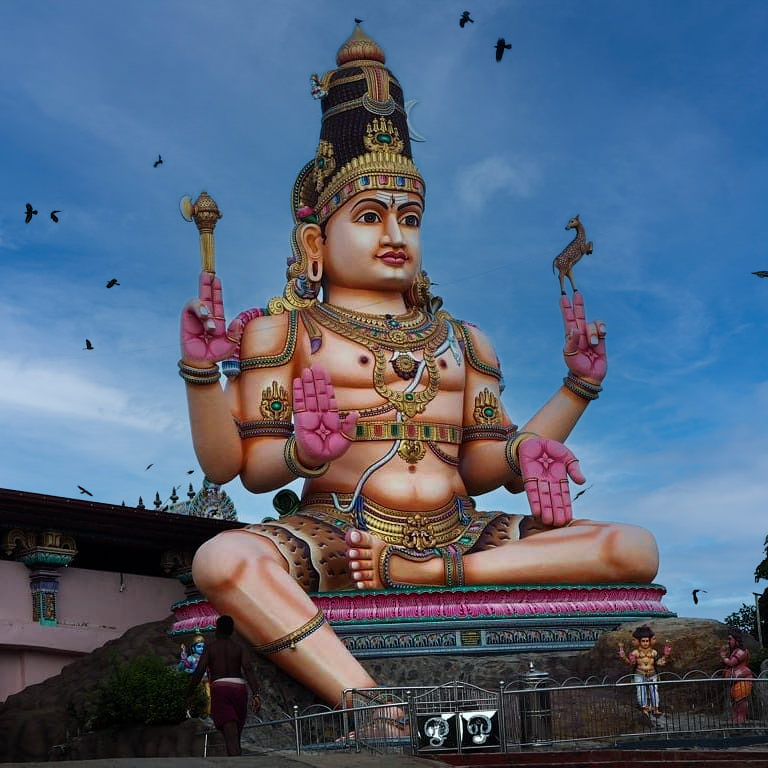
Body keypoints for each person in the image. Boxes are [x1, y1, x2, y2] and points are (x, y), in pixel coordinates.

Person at [179, 24, 659, 707]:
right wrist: (237, 403)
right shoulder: (285, 332)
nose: (397, 236)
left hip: (459, 533)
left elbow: (483, 464)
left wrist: (572, 395)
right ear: (317, 240)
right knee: (221, 560)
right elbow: (241, 470)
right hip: (334, 531)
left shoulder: (463, 340)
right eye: (371, 216)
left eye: (410, 216)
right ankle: (367, 702)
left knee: (633, 548)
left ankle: (429, 572)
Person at [185, 615, 261, 756]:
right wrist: (256, 694)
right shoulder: (239, 647)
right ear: (232, 630)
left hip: (221, 689)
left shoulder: (211, 648)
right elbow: (248, 669)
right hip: (239, 689)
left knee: (230, 737)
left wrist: (189, 693)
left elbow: (199, 671)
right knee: (235, 735)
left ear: (217, 629)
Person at [618, 625, 671, 717]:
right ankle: (644, 708)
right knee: (641, 690)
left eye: (647, 641)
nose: (645, 643)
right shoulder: (635, 652)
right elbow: (631, 663)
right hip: (640, 674)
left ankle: (655, 708)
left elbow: (658, 662)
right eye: (643, 641)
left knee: (654, 690)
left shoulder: (654, 652)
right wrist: (624, 656)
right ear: (639, 641)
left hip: (652, 673)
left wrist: (666, 656)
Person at [720, 628, 752, 724]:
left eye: (730, 639)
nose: (728, 642)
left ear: (736, 640)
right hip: (736, 680)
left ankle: (741, 717)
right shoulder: (735, 651)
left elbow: (731, 663)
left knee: (741, 701)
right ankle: (737, 717)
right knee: (736, 701)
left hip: (743, 679)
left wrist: (723, 657)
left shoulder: (741, 652)